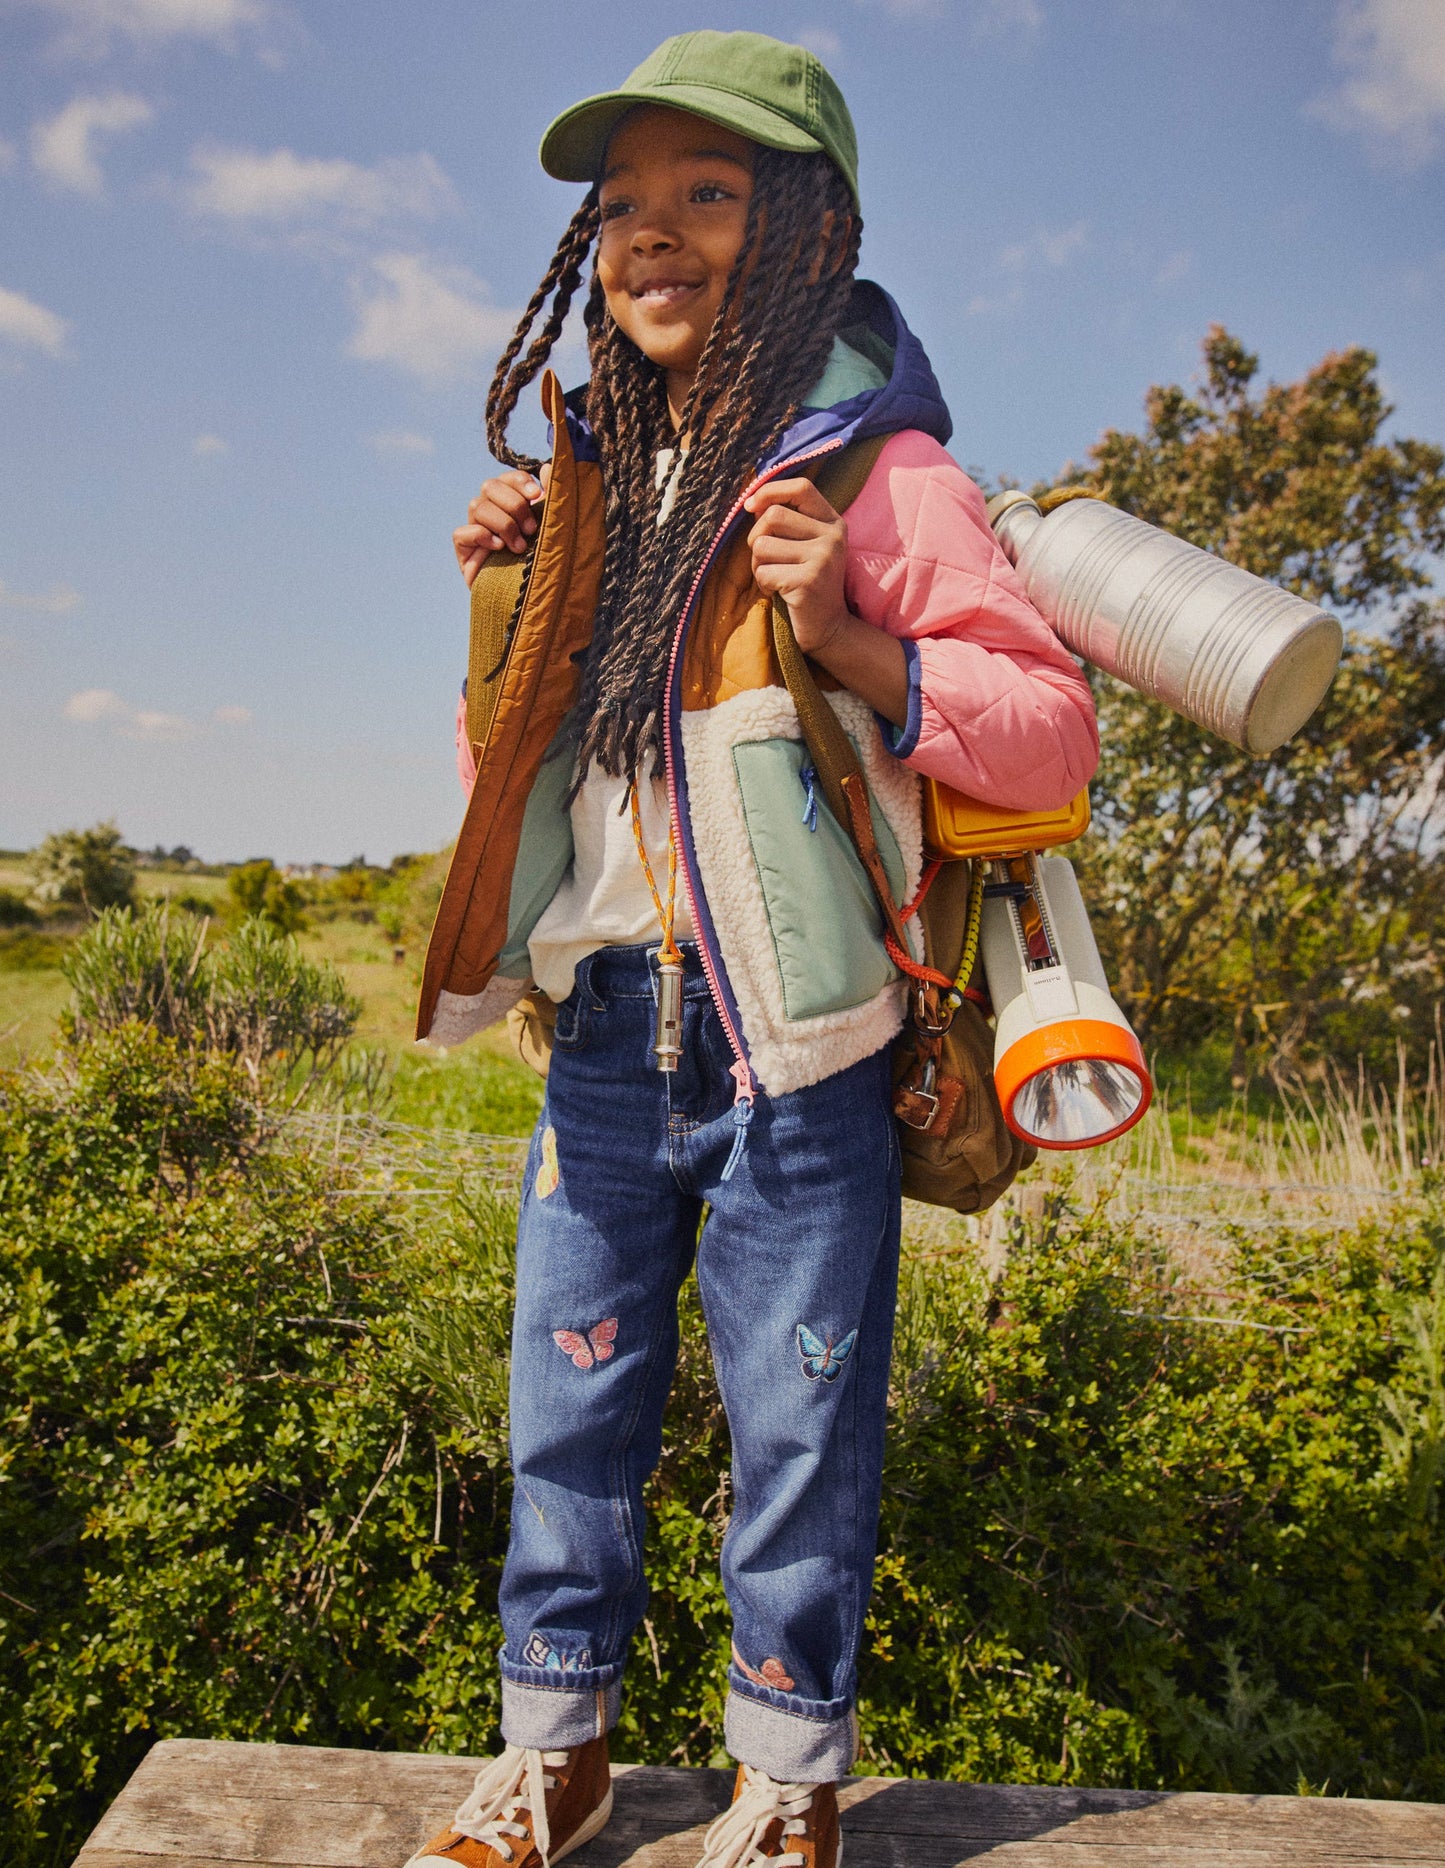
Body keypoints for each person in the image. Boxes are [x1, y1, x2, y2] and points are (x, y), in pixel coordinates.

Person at [410, 30, 1098, 1868]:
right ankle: (553, 1759)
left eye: (705, 194)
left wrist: (863, 647)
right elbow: (525, 784)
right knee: (567, 1406)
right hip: (608, 1025)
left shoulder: (882, 481)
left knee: (799, 1431)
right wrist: (506, 596)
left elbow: (1051, 734)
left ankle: (784, 1779)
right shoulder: (592, 479)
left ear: (804, 222)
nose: (651, 237)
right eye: (620, 207)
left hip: (807, 1044)